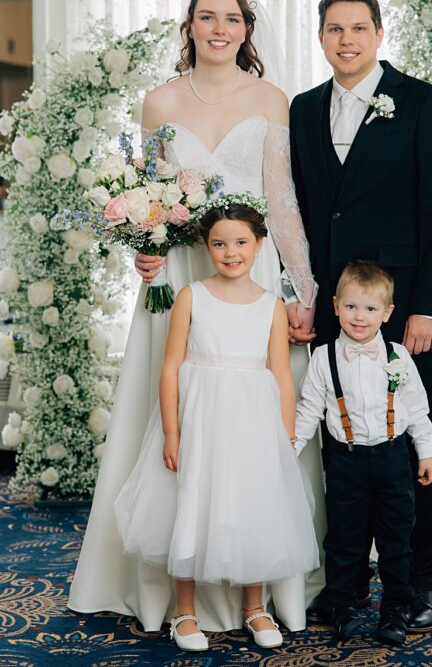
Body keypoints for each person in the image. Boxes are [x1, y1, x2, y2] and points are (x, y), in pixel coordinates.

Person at [69, 0, 326, 633]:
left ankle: (260, 585)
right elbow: (148, 195)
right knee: (174, 409)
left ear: (246, 28)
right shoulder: (157, 104)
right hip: (180, 275)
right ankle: (171, 585)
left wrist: (300, 292)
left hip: (254, 269)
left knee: (256, 426)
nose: (220, 28)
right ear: (188, 26)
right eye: (207, 17)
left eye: (232, 18)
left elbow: (284, 203)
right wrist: (143, 248)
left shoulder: (272, 99)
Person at [288, 0, 432, 630]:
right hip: (332, 300)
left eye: (359, 28)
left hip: (396, 305)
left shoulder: (422, 103)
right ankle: (346, 583)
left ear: (380, 34)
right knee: (341, 445)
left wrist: (429, 308)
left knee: (407, 443)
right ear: (321, 36)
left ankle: (415, 579)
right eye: (334, 29)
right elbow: (300, 211)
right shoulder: (304, 109)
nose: (347, 39)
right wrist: (302, 297)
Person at [114, 199, 320, 651]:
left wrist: (285, 436)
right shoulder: (192, 296)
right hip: (200, 421)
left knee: (253, 506)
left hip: (253, 424)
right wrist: (172, 431)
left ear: (260, 245)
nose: (231, 252)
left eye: (241, 242)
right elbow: (170, 368)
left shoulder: (270, 306)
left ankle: (254, 605)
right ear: (206, 247)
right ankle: (184, 612)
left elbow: (282, 376)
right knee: (189, 503)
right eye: (220, 244)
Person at [293, 261, 432, 645]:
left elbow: (417, 409)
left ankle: (396, 608)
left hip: (392, 460)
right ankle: (341, 605)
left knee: (396, 539)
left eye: (371, 309)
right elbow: (308, 410)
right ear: (336, 305)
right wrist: (289, 450)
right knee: (343, 538)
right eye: (352, 306)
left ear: (387, 313)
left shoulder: (398, 357)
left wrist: (425, 453)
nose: (360, 317)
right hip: (346, 460)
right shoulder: (323, 358)